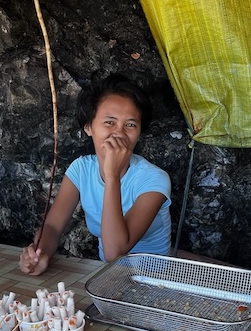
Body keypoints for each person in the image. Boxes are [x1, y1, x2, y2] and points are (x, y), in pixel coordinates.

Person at [19, 74, 172, 276]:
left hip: (156, 280)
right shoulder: (81, 170)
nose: (119, 133)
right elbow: (53, 227)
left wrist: (112, 176)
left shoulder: (153, 179)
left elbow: (114, 252)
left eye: (131, 125)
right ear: (89, 127)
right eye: (109, 122)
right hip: (106, 277)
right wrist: (40, 253)